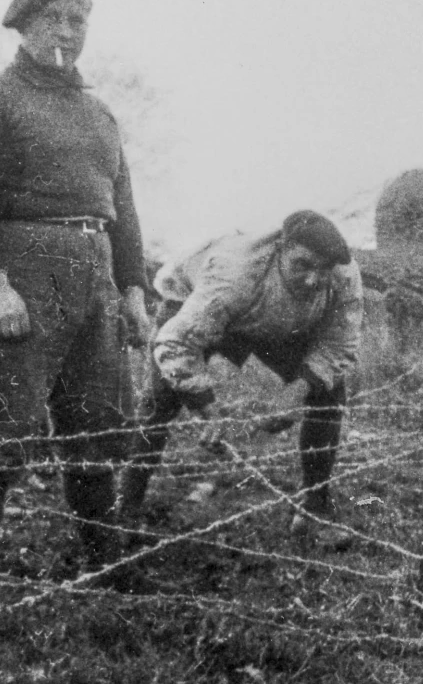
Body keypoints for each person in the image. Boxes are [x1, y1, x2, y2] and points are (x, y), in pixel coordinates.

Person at [0, 0, 153, 610]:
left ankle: (99, 563)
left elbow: (125, 209)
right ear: (24, 23)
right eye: (54, 16)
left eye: (79, 18)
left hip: (95, 278)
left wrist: (133, 291)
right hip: (17, 273)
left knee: (96, 425)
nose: (68, 30)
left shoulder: (101, 114)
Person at [121, 211, 360, 541]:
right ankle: (124, 510)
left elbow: (339, 344)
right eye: (302, 264)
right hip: (192, 303)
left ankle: (314, 511)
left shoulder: (344, 275)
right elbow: (176, 343)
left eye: (322, 269)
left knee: (328, 395)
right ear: (280, 247)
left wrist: (295, 393)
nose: (312, 279)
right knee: (159, 403)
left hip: (278, 323)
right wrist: (206, 408)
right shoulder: (234, 272)